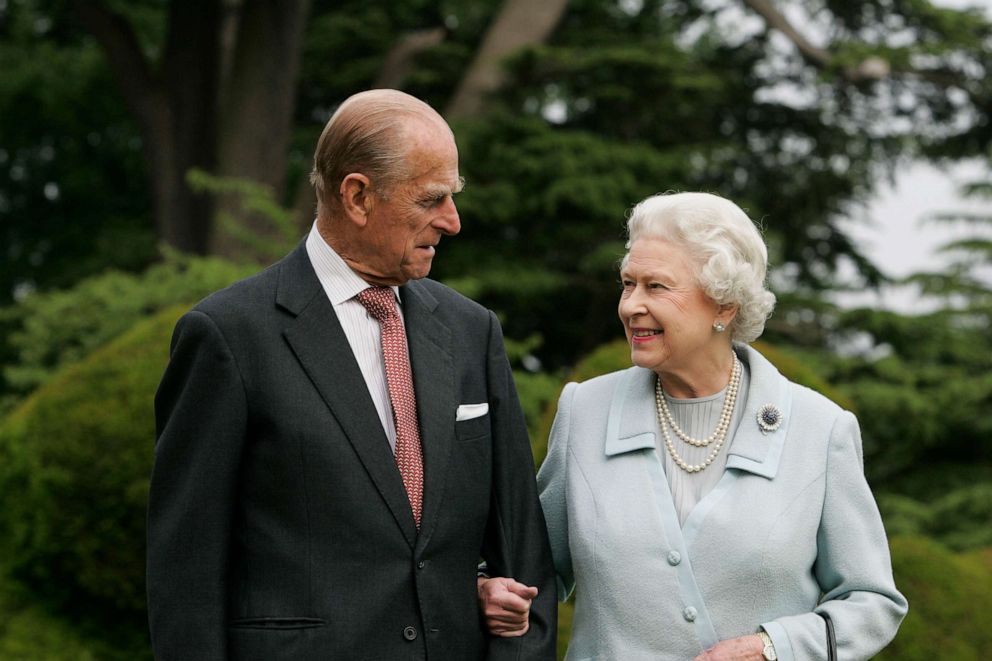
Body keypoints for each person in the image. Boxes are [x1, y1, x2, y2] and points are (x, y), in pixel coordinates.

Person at [147, 89, 556, 660]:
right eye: (432, 199)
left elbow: (523, 555)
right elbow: (184, 574)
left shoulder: (472, 331)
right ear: (358, 196)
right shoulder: (227, 336)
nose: (453, 221)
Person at [482, 192, 907, 660]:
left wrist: (772, 649)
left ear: (724, 306)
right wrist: (490, 587)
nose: (630, 306)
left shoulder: (820, 430)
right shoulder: (585, 410)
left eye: (657, 287)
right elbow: (531, 567)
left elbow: (872, 603)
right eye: (628, 284)